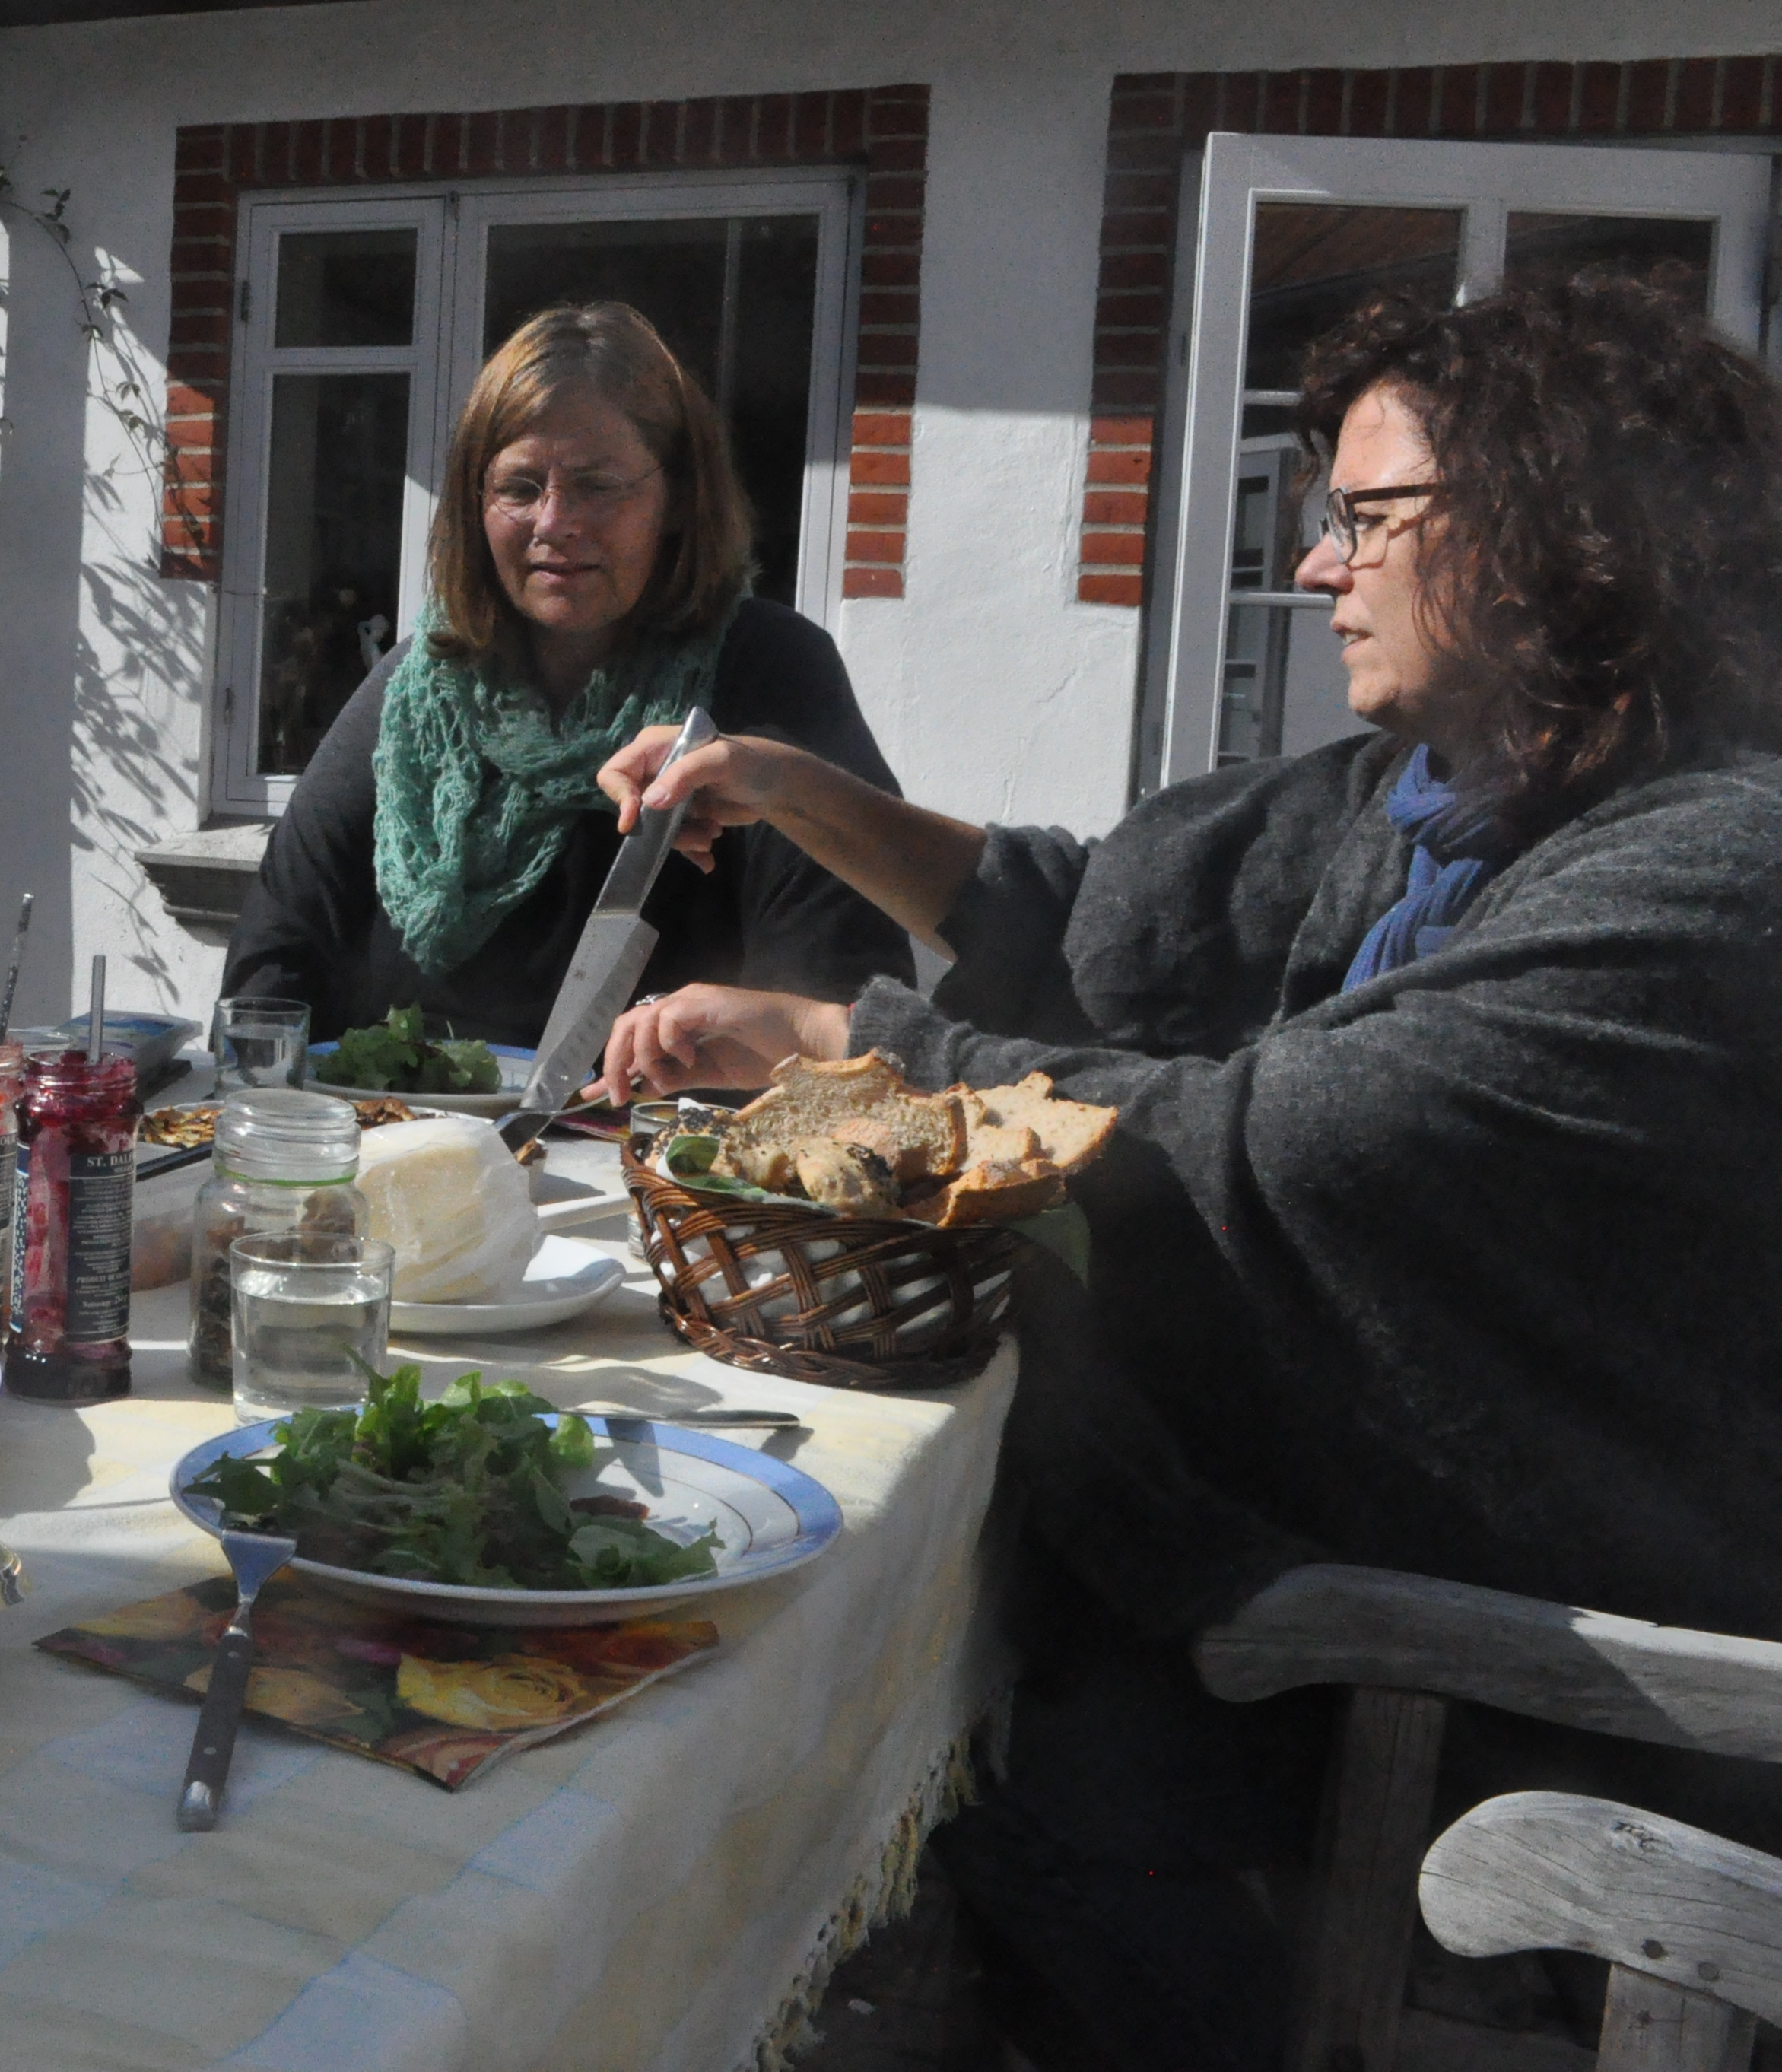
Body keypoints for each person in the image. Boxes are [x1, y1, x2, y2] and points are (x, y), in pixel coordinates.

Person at [592, 272, 1782, 2061]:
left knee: (922, 1732)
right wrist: (793, 789)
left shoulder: (1711, 867)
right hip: (1355, 1554)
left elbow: (1284, 1137)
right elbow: (1101, 913)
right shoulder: (1446, 793)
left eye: (1365, 516)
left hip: (1516, 1681)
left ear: (1558, 527)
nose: (1313, 566)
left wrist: (854, 1055)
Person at [219, 302, 912, 1050]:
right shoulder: (420, 685)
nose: (554, 523)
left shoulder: (767, 673)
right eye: (519, 487)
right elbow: (275, 957)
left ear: (679, 499)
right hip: (397, 1121)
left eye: (598, 484)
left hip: (664, 1126)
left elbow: (839, 992)